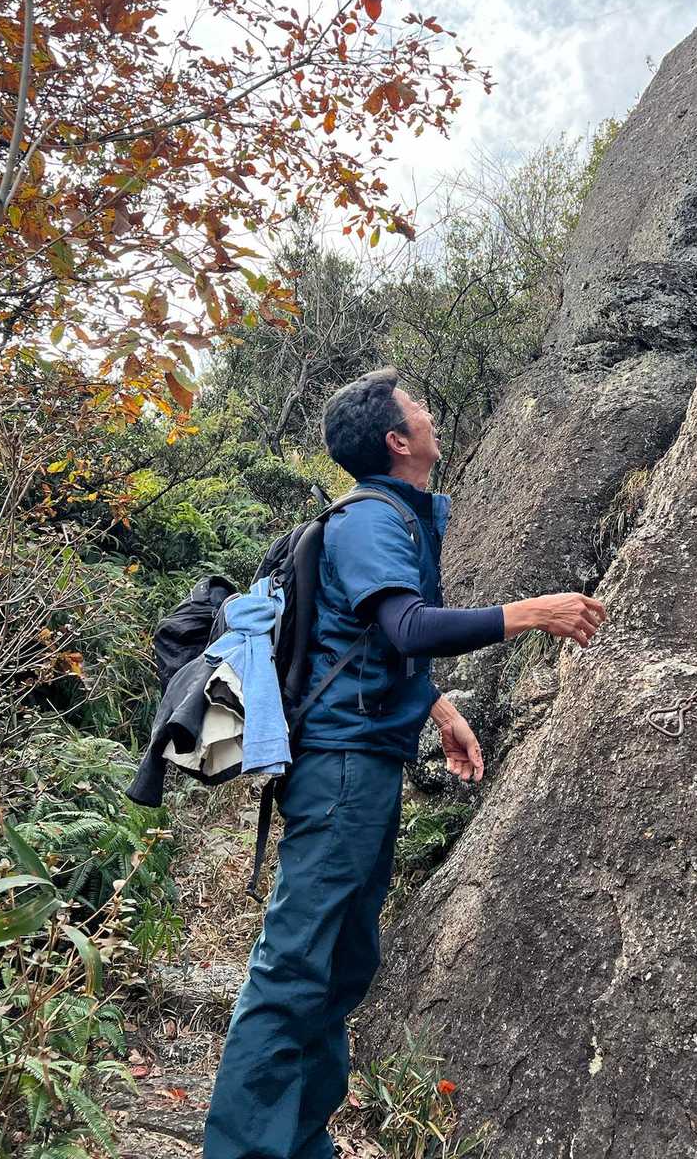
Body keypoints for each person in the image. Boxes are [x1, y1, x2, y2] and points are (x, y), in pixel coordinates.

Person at [203, 368, 607, 1159]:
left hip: (362, 762)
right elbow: (408, 627)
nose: (430, 416)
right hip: (342, 768)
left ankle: (301, 1142)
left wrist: (440, 711)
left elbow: (367, 647)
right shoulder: (371, 520)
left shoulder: (393, 517)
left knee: (340, 965)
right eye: (418, 408)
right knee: (297, 966)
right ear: (397, 439)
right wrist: (532, 612)